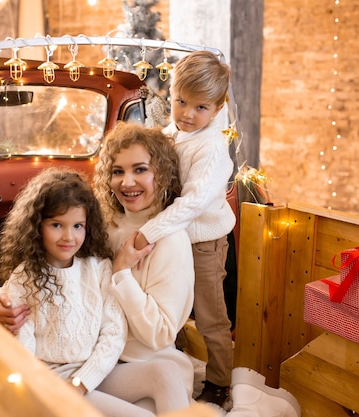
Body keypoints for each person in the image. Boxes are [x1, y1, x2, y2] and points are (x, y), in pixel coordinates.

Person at [0, 123, 196, 414]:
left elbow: (157, 334)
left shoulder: (170, 240)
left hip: (129, 361)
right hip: (89, 365)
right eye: (117, 171)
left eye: (140, 169)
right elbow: (47, 277)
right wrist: (3, 301)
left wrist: (122, 273)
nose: (127, 182)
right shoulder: (107, 223)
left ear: (162, 173)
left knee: (164, 384)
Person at [0, 168, 154, 417]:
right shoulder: (25, 278)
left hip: (94, 373)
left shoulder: (98, 269)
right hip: (51, 380)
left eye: (77, 225)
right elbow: (22, 345)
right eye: (57, 225)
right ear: (37, 227)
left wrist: (81, 383)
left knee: (158, 388)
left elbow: (113, 334)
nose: (69, 236)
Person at [133, 49, 236, 407]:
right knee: (167, 299)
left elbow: (192, 204)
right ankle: (171, 359)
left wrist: (148, 233)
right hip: (172, 237)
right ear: (171, 94)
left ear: (219, 108)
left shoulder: (210, 148)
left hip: (203, 241)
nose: (188, 114)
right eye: (180, 101)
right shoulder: (170, 132)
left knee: (210, 315)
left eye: (201, 107)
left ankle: (220, 383)